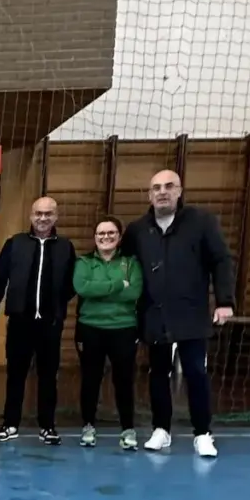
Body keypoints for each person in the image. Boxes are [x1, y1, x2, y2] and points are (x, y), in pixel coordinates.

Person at [122, 169, 234, 458]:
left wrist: (224, 301)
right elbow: (126, 269)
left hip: (191, 314)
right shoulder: (137, 229)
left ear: (179, 191)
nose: (162, 192)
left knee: (196, 372)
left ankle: (202, 433)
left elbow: (221, 261)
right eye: (156, 187)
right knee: (158, 373)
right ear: (149, 195)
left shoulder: (201, 222)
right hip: (153, 316)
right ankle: (161, 429)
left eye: (169, 186)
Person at [0, 197, 76, 445]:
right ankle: (10, 423)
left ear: (56, 216)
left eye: (48, 214)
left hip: (50, 324)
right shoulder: (15, 244)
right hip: (20, 321)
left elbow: (70, 284)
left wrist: (55, 306)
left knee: (48, 376)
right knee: (16, 374)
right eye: (38, 213)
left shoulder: (66, 247)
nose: (43, 218)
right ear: (31, 215)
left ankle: (47, 426)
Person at [73, 217, 142, 450]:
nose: (106, 237)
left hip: (123, 328)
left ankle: (128, 429)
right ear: (95, 238)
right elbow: (83, 288)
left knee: (123, 380)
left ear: (119, 237)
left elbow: (134, 292)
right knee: (90, 379)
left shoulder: (130, 263)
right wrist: (117, 285)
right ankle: (88, 426)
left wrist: (100, 289)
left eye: (111, 233)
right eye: (101, 233)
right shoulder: (83, 262)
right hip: (90, 328)